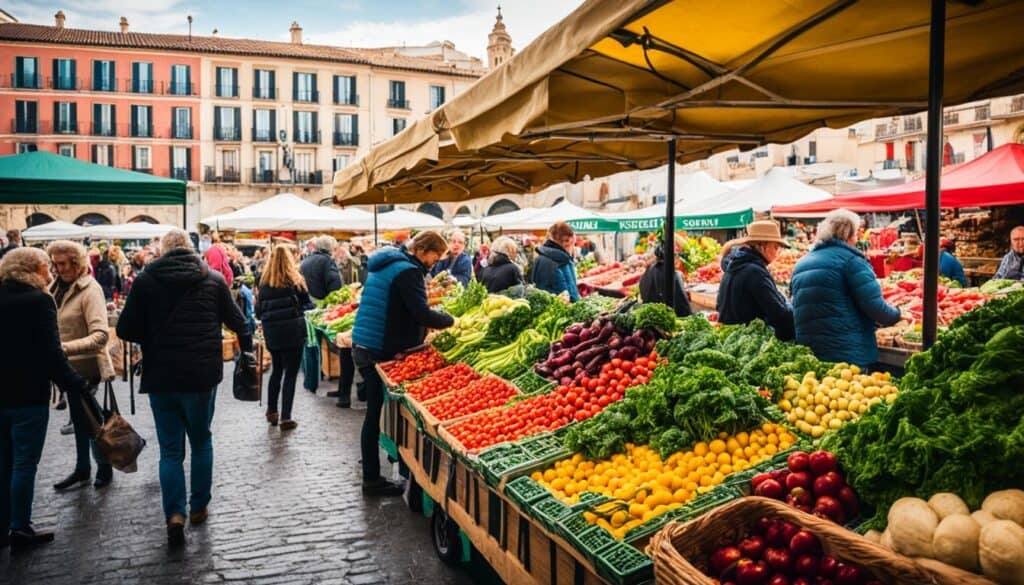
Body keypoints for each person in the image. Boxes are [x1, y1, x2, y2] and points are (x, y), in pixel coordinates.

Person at [116, 229, 252, 546]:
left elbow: (124, 328)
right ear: (191, 249)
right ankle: (199, 507)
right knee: (202, 440)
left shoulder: (146, 281)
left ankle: (174, 515)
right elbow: (240, 323)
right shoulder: (214, 280)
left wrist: (150, 329)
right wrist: (246, 354)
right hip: (201, 376)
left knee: (170, 451)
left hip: (161, 377)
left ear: (162, 251)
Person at [351, 231, 455, 496]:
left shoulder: (387, 263)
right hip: (378, 348)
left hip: (366, 342)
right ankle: (372, 479)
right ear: (422, 251)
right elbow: (420, 312)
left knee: (375, 412)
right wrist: (451, 320)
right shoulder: (408, 271)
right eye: (435, 256)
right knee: (374, 413)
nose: (435, 262)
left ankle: (374, 463)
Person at [1, 247, 90, 548]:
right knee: (24, 463)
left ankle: (3, 527)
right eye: (45, 265)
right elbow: (50, 353)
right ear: (32, 269)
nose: (50, 270)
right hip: (28, 394)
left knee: (4, 463)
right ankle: (20, 527)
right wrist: (74, 383)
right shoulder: (40, 301)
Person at [46, 241, 116, 491]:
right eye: (55, 263)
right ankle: (83, 468)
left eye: (63, 263)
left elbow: (100, 335)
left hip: (84, 369)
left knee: (92, 422)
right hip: (65, 369)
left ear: (77, 263)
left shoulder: (90, 290)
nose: (58, 268)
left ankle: (102, 468)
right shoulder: (55, 288)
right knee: (80, 418)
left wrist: (64, 348)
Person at [790, 209, 901, 367]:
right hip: (848, 356)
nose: (856, 239)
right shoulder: (852, 262)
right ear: (848, 235)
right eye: (855, 234)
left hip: (811, 356)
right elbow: (876, 309)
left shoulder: (801, 264)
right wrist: (898, 314)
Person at [256, 245, 314, 431]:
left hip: (272, 333)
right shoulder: (296, 281)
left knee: (277, 370)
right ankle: (286, 416)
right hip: (293, 333)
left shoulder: (263, 283)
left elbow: (258, 312)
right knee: (290, 374)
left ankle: (272, 411)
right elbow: (307, 305)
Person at [716, 220, 794, 340]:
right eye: (775, 247)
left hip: (735, 337)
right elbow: (779, 315)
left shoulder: (736, 265)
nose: (777, 252)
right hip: (749, 340)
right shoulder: (755, 272)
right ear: (762, 246)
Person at [530, 222, 581, 301]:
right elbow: (570, 296)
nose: (573, 247)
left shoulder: (542, 258)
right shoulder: (560, 260)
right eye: (573, 243)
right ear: (566, 241)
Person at [639, 246, 693, 317]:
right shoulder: (675, 274)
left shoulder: (647, 272)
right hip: (666, 318)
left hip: (649, 316)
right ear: (672, 257)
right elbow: (683, 307)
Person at [300, 235, 343, 302]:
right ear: (331, 248)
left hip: (309, 302)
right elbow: (335, 287)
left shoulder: (306, 260)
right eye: (335, 248)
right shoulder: (327, 261)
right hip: (324, 303)